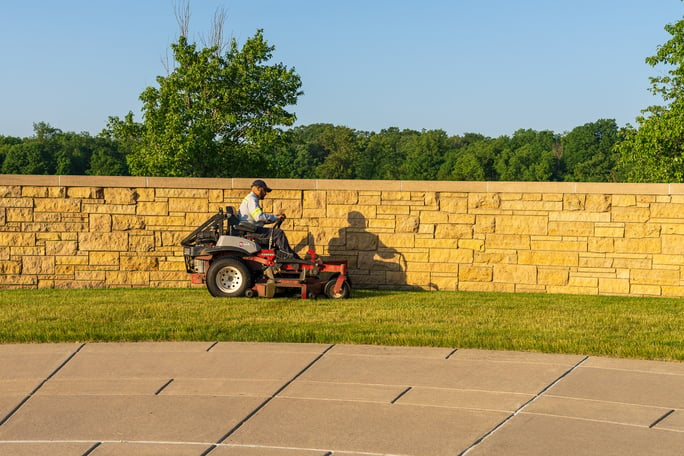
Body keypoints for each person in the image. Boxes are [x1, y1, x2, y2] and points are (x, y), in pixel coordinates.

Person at [238, 179, 301, 260]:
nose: (265, 193)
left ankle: (289, 256)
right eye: (264, 190)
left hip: (250, 229)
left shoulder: (250, 199)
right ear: (258, 188)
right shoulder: (252, 199)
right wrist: (275, 218)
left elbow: (258, 219)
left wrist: (275, 218)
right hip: (252, 231)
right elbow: (259, 217)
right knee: (278, 233)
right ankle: (290, 258)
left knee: (276, 233)